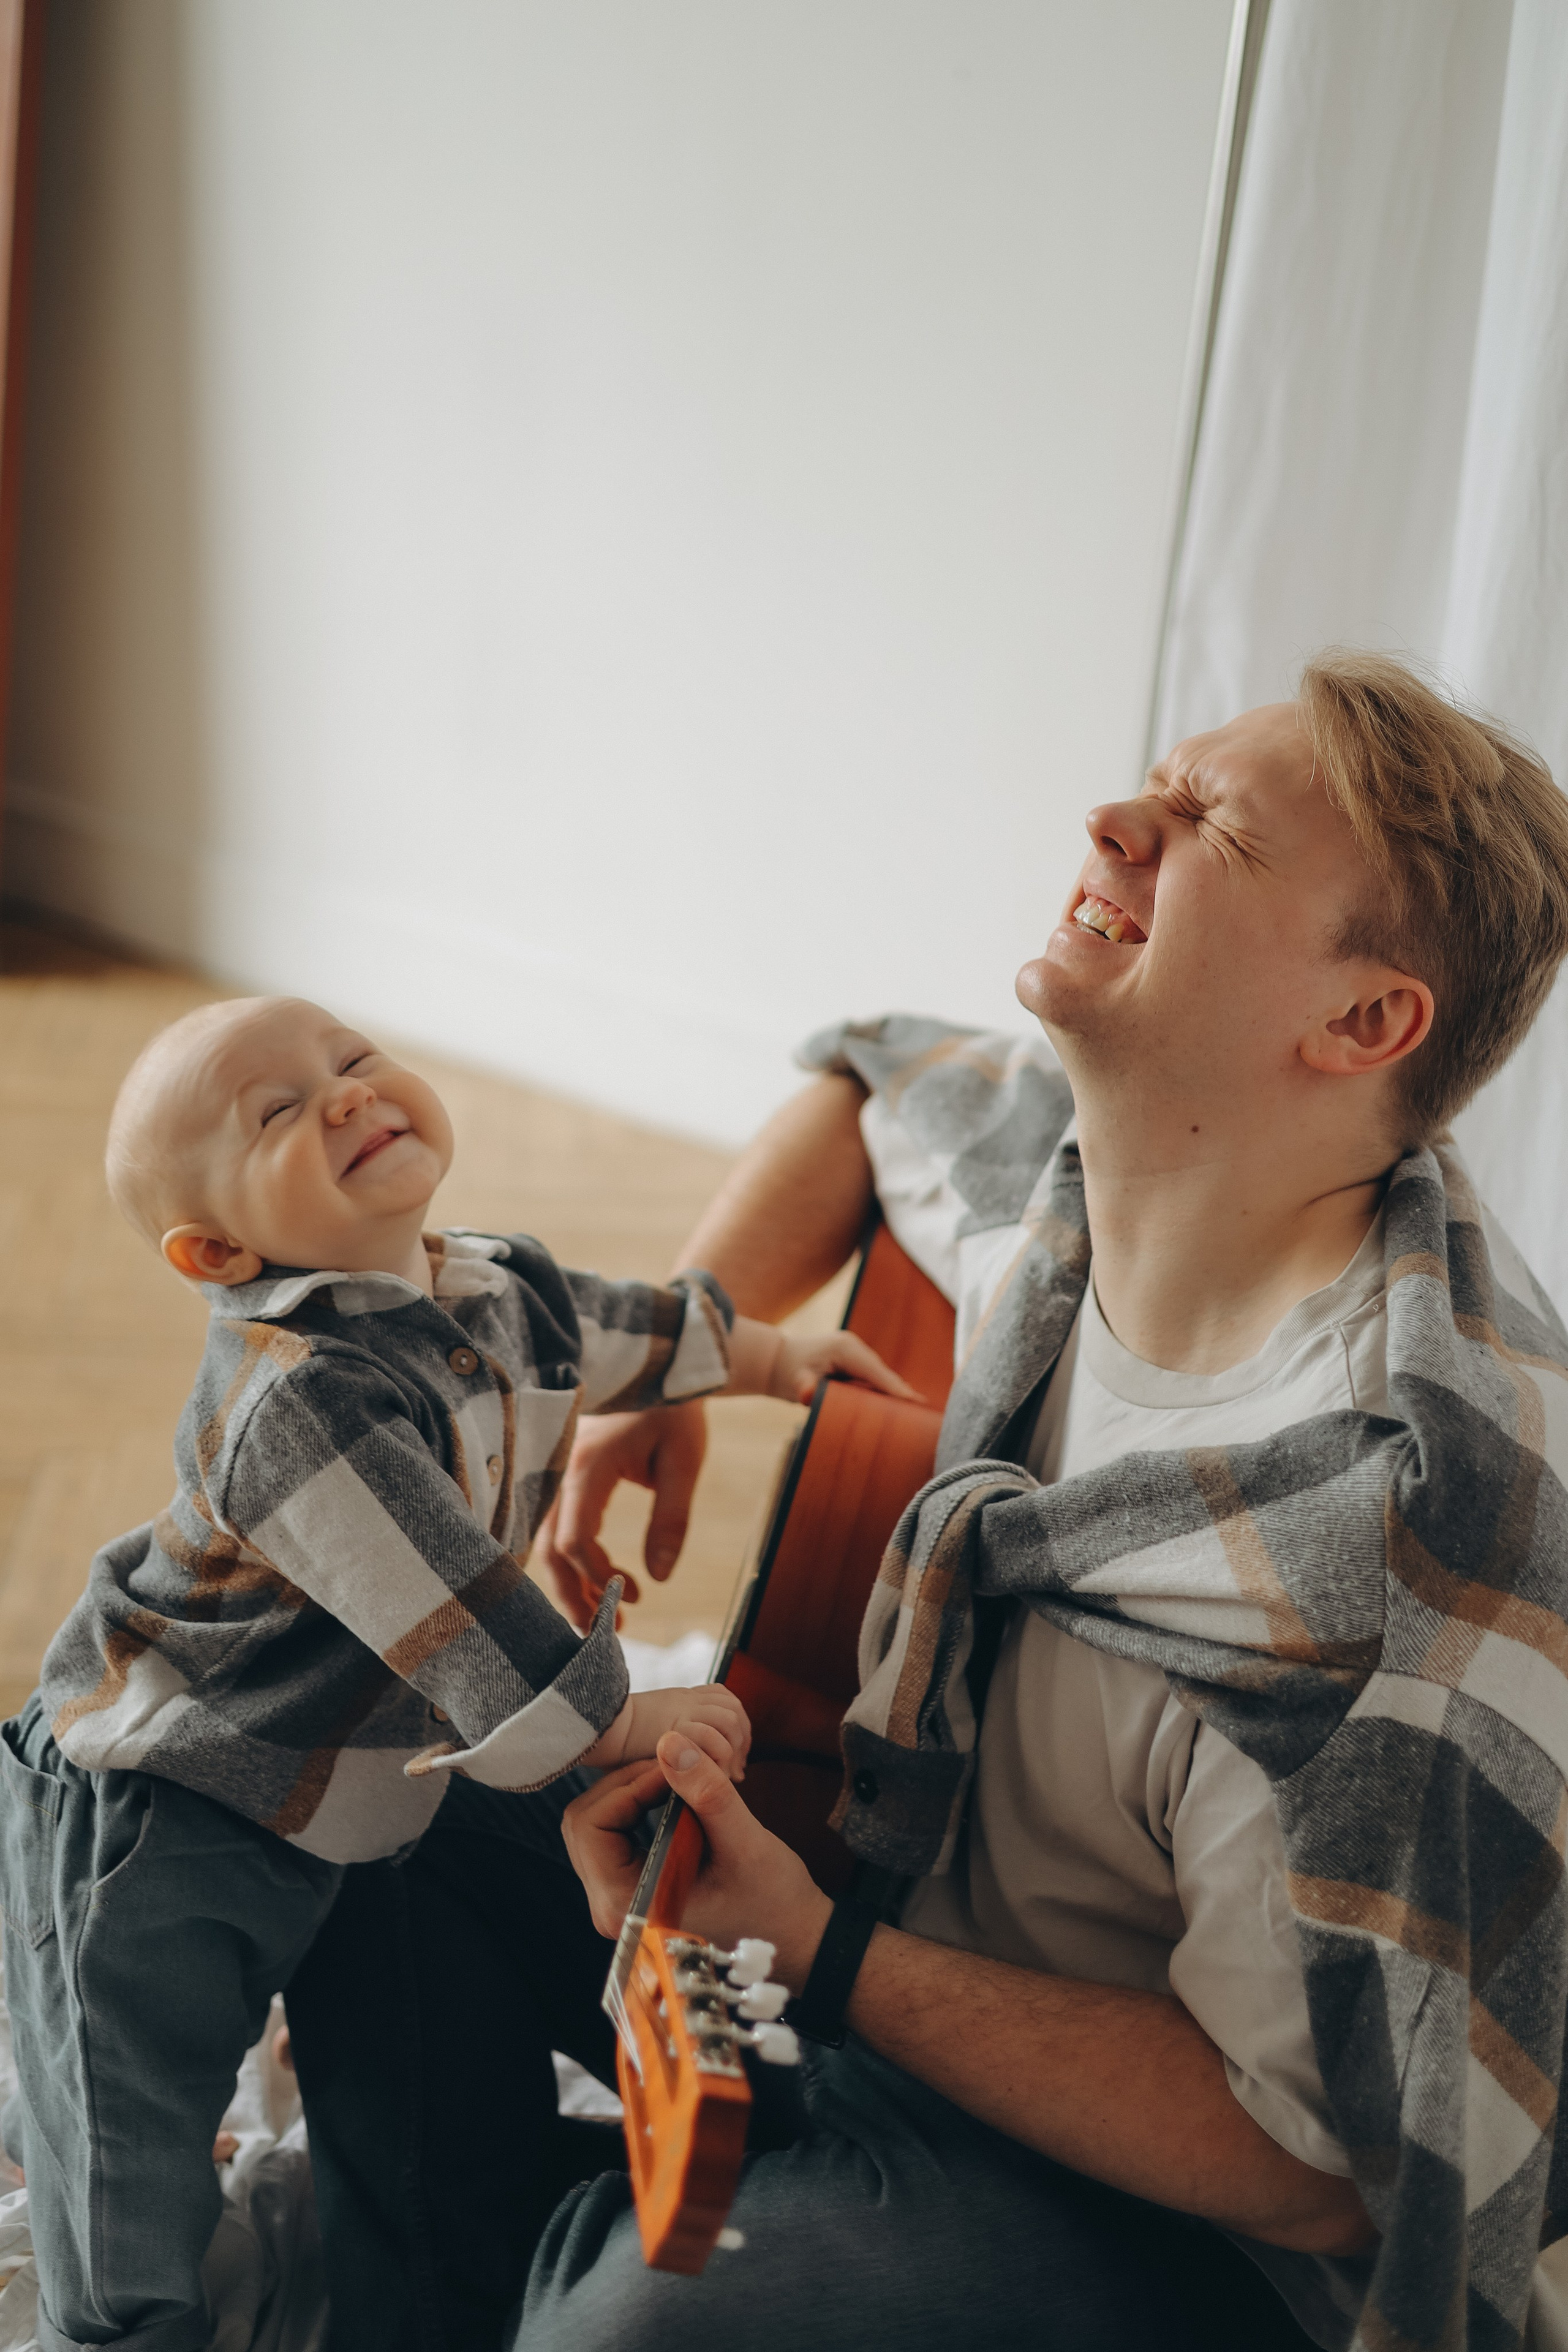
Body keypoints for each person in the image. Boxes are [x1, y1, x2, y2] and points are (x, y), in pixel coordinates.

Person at [292, 653, 1568, 2352]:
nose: (1112, 821)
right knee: (326, 1756)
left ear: (1360, 1026)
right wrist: (671, 1371)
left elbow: (1319, 2165)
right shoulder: (1121, 1157)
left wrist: (820, 1955)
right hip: (865, 1941)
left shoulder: (1390, 1565)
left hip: (1184, 2222)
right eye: (1156, 782)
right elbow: (871, 1082)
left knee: (642, 2334)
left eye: (1209, 828)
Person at [0, 992, 914, 2352]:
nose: (346, 1095)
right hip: (168, 1796)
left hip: (351, 1771)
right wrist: (616, 1717)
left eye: (351, 1059)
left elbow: (606, 1328)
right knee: (127, 2112)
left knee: (337, 1964)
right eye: (279, 1112)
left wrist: (766, 1355)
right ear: (219, 1250)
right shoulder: (290, 1402)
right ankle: (116, 2319)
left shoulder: (488, 1283)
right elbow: (462, 1620)